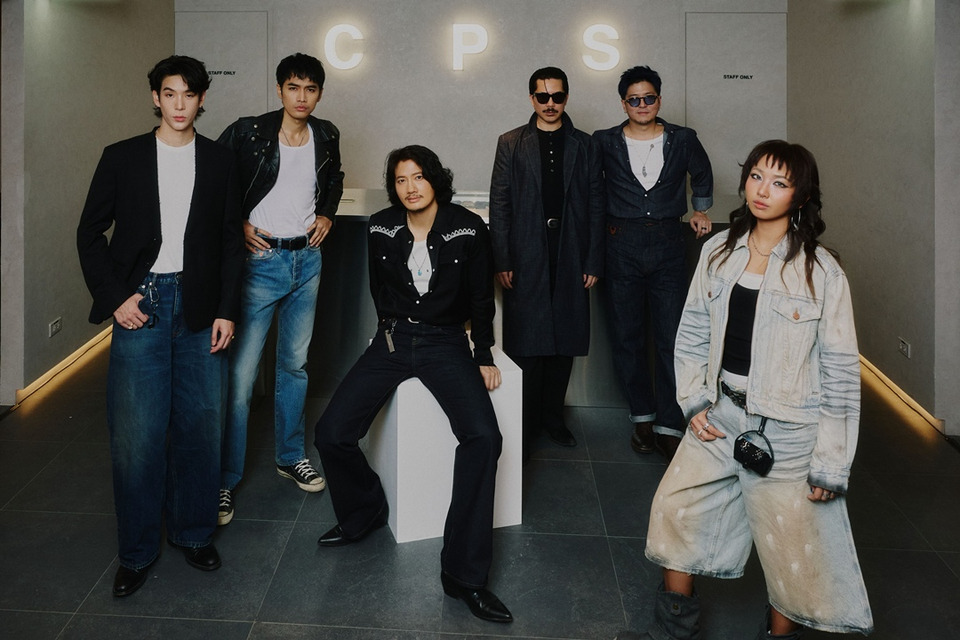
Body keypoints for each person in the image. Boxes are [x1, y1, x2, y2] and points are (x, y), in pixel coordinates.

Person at [616, 141, 873, 639]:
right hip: (720, 415)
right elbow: (692, 330)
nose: (763, 190)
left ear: (801, 196)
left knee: (789, 551)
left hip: (789, 431)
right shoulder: (718, 250)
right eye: (757, 176)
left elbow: (841, 372)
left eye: (779, 183)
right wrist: (693, 400)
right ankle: (673, 632)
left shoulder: (822, 271)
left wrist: (832, 462)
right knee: (674, 511)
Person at [314, 145, 512, 624]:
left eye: (418, 177)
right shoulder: (381, 225)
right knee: (331, 432)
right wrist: (383, 334)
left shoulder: (468, 227)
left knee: (484, 438)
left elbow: (481, 298)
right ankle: (364, 512)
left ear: (435, 179)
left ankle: (464, 575)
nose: (410, 187)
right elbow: (377, 287)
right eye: (401, 180)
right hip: (394, 339)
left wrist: (483, 354)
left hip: (447, 343)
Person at [76, 55, 244, 597]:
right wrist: (116, 297)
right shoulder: (121, 157)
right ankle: (137, 551)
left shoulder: (220, 160)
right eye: (169, 94)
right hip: (141, 304)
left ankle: (194, 534)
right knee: (137, 436)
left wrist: (226, 309)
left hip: (200, 308)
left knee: (201, 427)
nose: (179, 104)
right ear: (155, 97)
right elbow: (89, 234)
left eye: (189, 95)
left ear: (202, 99)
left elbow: (230, 242)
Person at [216, 53, 344, 525]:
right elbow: (214, 181)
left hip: (307, 260)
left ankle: (290, 456)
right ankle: (223, 478)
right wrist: (239, 224)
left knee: (294, 365)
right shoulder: (248, 132)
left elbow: (334, 179)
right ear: (279, 89)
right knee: (241, 376)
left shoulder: (326, 134)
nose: (302, 97)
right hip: (261, 262)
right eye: (293, 87)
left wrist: (327, 213)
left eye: (310, 89)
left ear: (320, 93)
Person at [593, 65, 713, 461]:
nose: (642, 105)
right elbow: (590, 189)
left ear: (659, 100)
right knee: (627, 337)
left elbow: (703, 172)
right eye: (634, 99)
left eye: (649, 98)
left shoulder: (682, 138)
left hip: (668, 243)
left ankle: (669, 425)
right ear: (623, 103)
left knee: (671, 338)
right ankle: (642, 418)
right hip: (619, 244)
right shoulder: (605, 141)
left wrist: (700, 209)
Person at [489, 66, 604, 455]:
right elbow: (500, 203)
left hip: (571, 250)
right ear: (532, 98)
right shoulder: (511, 143)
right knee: (527, 341)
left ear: (566, 98)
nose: (550, 103)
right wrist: (502, 257)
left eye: (557, 96)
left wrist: (593, 260)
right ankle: (525, 421)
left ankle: (554, 419)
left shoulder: (585, 145)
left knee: (564, 342)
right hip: (525, 252)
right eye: (543, 96)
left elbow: (597, 203)